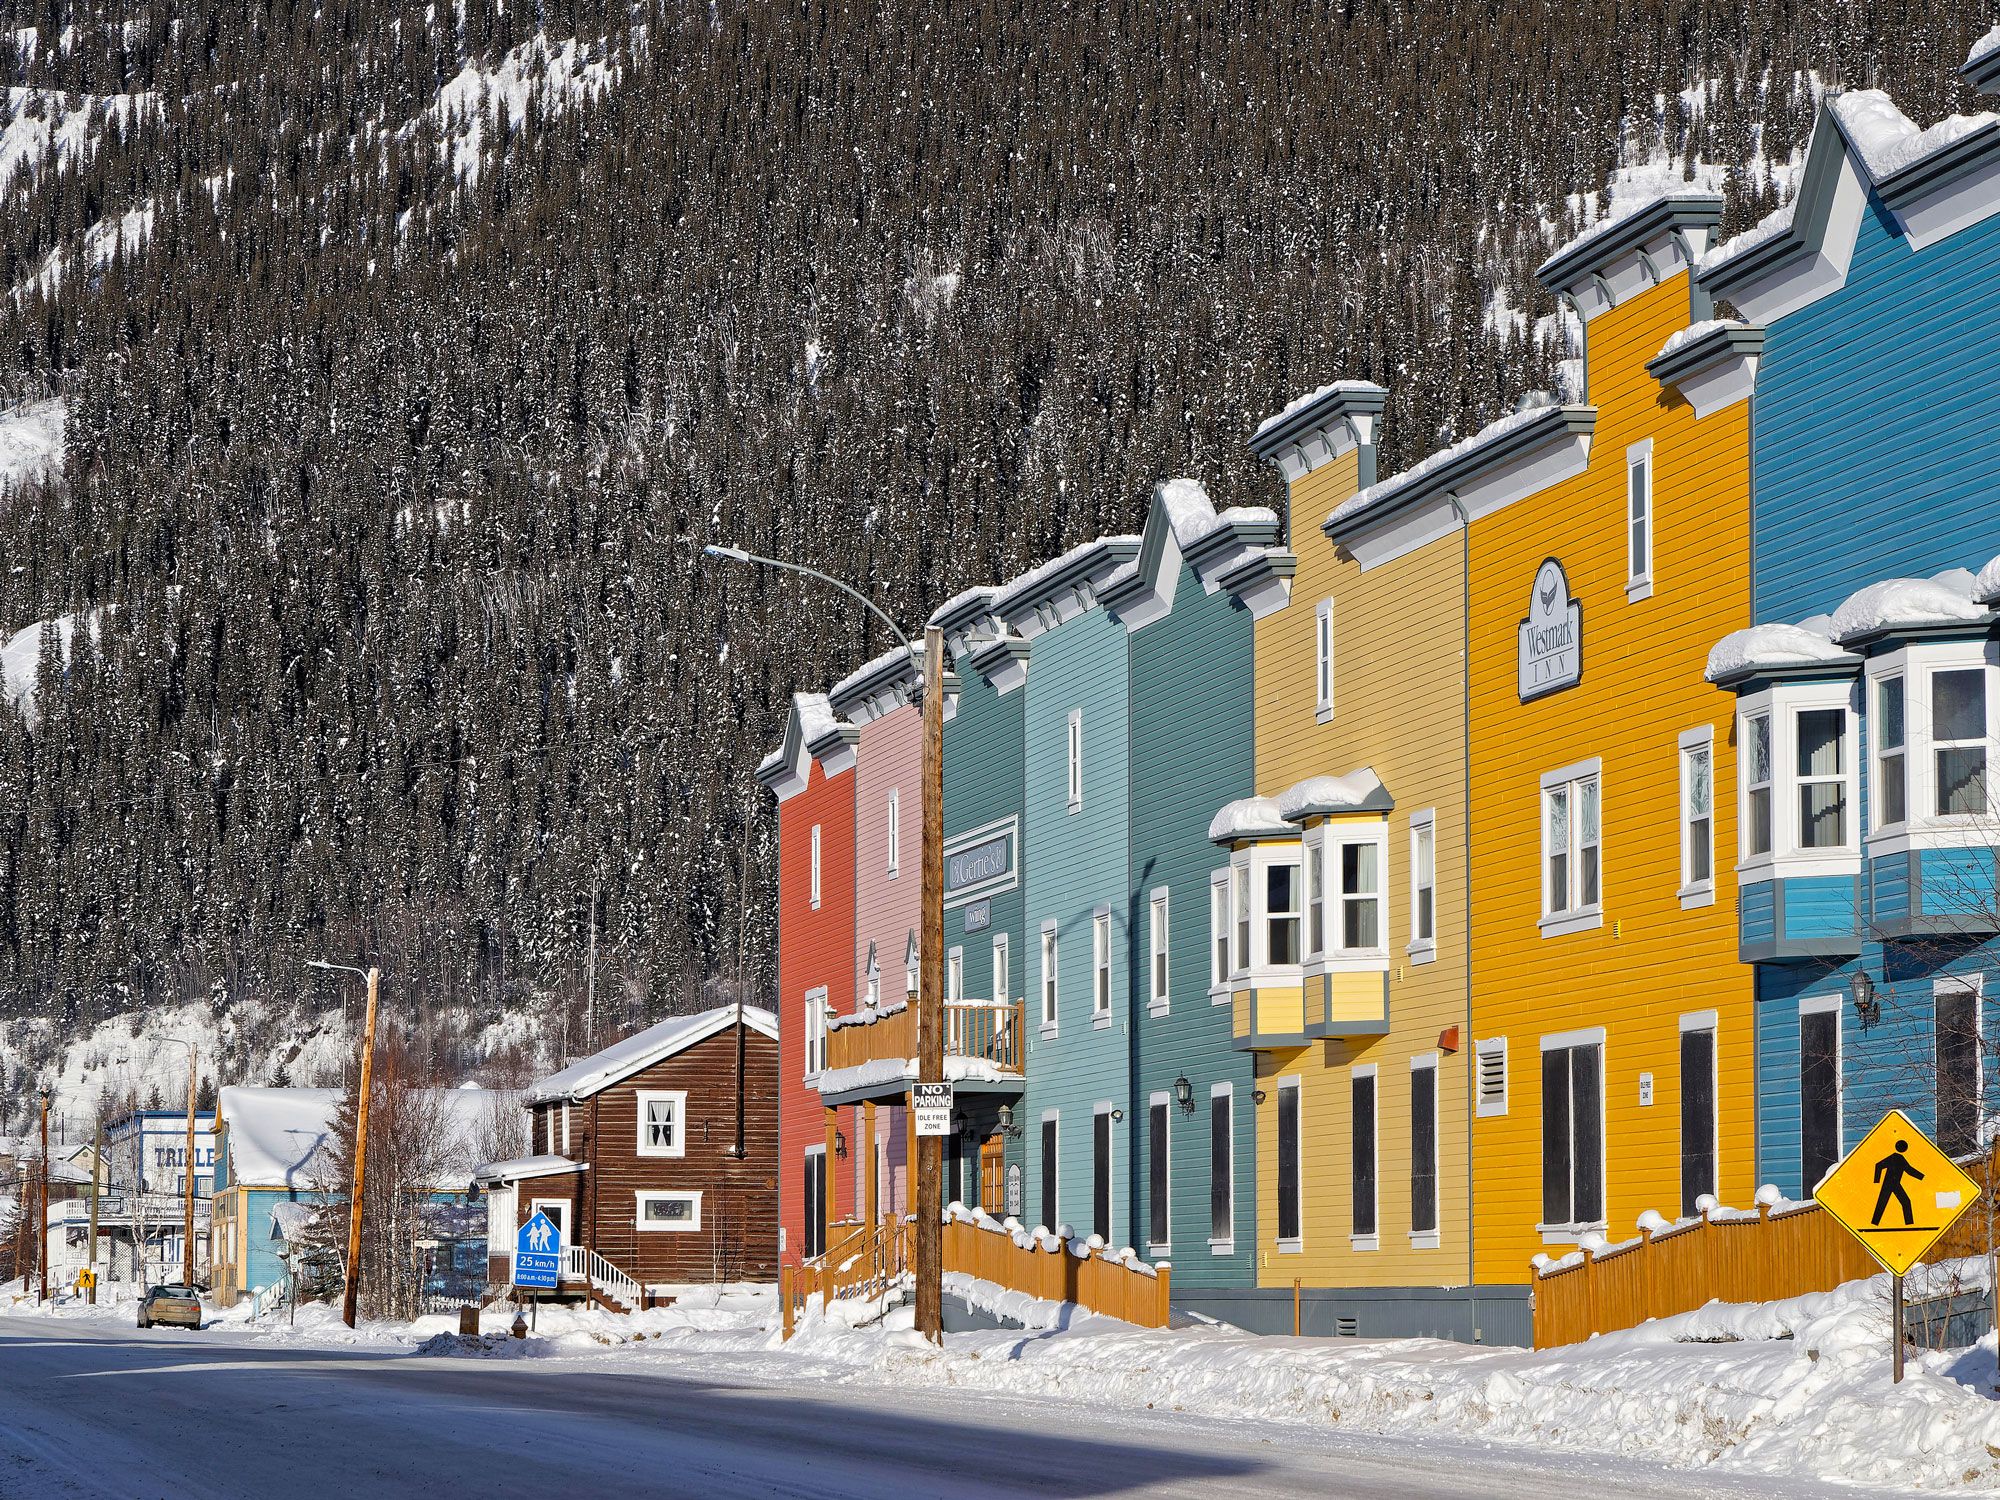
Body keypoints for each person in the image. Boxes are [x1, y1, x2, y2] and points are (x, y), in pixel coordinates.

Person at [1871, 1140, 1925, 1227]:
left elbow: (1909, 1170)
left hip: (1895, 1184)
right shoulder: (1895, 1157)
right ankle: (1874, 1223)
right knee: (1882, 1203)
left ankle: (1909, 1224)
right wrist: (1876, 1181)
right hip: (1888, 1184)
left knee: (1905, 1202)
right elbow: (1878, 1165)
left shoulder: (1900, 1158)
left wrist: (1922, 1177)